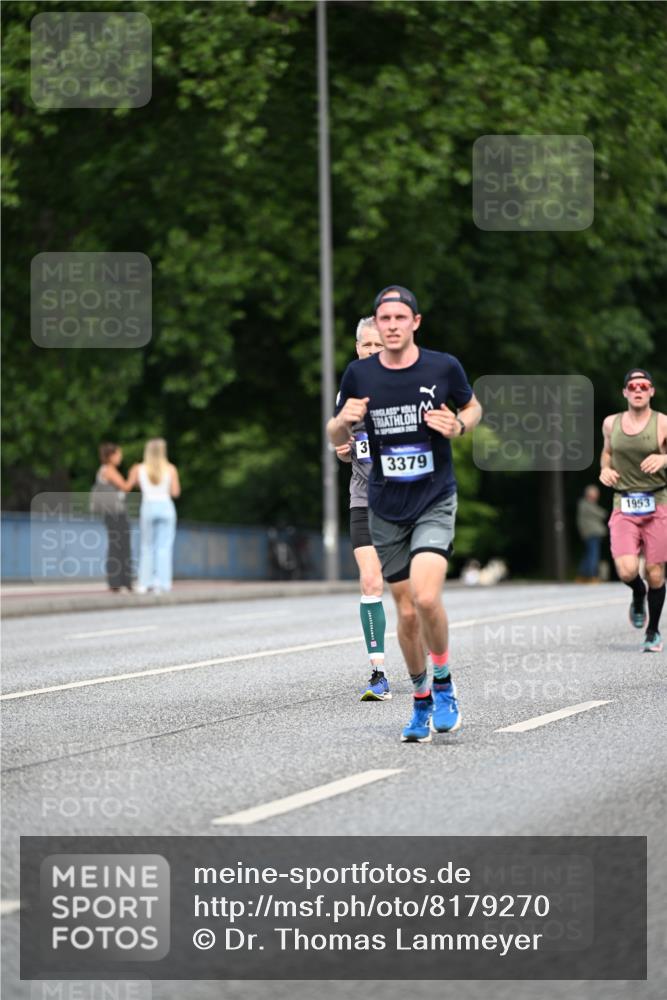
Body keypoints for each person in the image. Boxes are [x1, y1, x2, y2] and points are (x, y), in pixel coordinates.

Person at [328, 286, 482, 742]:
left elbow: (471, 406)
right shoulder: (359, 375)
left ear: (415, 322)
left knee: (428, 598)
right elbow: (337, 427)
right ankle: (419, 700)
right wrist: (342, 421)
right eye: (384, 318)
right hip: (384, 505)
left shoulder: (442, 366)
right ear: (376, 323)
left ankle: (444, 682)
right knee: (407, 612)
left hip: (433, 497)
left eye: (399, 317)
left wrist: (460, 424)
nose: (392, 325)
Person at [335, 316, 391, 701]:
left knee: (410, 594)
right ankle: (378, 673)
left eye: (378, 346)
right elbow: (343, 439)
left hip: (405, 500)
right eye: (366, 346)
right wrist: (341, 449)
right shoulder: (349, 390)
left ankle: (431, 668)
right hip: (363, 498)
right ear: (357, 348)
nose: (372, 352)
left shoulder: (404, 383)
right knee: (371, 582)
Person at [599, 368, 667, 652]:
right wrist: (604, 469)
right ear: (625, 392)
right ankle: (638, 595)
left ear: (651, 391)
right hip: (624, 502)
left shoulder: (662, 423)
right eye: (633, 386)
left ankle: (652, 632)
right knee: (627, 570)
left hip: (658, 502)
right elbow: (607, 453)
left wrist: (664, 459)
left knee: (654, 572)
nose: (638, 390)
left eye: (644, 386)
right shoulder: (610, 424)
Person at [127, 438, 181, 594]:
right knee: (164, 547)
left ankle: (144, 583)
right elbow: (175, 492)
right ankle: (163, 583)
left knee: (147, 546)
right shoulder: (170, 469)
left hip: (148, 506)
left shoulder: (138, 468)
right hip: (166, 506)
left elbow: (131, 486)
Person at [95, 442, 133, 592]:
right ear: (111, 456)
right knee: (121, 546)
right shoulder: (109, 470)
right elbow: (126, 487)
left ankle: (117, 582)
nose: (120, 457)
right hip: (116, 512)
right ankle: (122, 582)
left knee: (116, 546)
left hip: (110, 512)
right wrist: (133, 474)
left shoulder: (103, 470)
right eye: (118, 454)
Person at [575, 484, 608, 583]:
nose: (597, 496)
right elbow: (602, 513)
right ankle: (591, 575)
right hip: (592, 533)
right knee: (593, 555)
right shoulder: (586, 504)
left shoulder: (584, 504)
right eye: (595, 493)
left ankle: (582, 575)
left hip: (590, 533)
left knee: (588, 554)